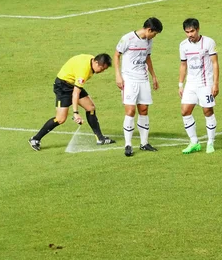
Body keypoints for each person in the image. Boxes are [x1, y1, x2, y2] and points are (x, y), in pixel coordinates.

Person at [28, 53, 115, 151]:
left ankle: (100, 138)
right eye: (102, 68)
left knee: (90, 108)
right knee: (60, 119)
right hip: (62, 87)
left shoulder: (92, 60)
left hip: (72, 84)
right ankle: (35, 139)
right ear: (95, 62)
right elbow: (75, 94)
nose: (102, 71)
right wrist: (75, 113)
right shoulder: (84, 71)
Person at [114, 17, 163, 157]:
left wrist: (153, 76)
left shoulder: (149, 41)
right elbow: (117, 55)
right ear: (149, 29)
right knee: (130, 111)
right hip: (129, 79)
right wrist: (118, 75)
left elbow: (148, 57)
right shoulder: (127, 38)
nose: (155, 36)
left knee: (144, 109)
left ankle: (144, 143)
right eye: (155, 33)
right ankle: (128, 145)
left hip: (143, 79)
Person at [178, 18, 220, 154]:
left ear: (198, 29)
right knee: (185, 111)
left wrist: (215, 83)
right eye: (187, 32)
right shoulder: (183, 45)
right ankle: (194, 142)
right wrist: (180, 84)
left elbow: (215, 63)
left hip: (205, 83)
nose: (190, 34)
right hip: (190, 84)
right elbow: (183, 65)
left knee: (208, 112)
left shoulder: (208, 42)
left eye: (192, 31)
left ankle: (210, 142)